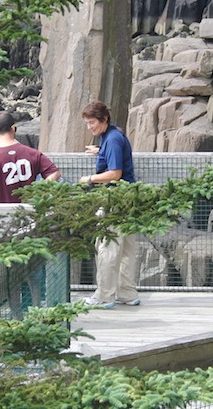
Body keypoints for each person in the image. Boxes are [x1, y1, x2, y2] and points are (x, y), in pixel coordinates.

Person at [79, 100, 140, 309]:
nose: (89, 127)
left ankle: (104, 296)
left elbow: (115, 173)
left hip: (113, 199)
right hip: (128, 198)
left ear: (104, 119)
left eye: (92, 122)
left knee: (107, 247)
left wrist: (89, 179)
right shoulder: (113, 135)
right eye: (87, 124)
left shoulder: (112, 140)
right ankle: (127, 293)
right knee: (127, 248)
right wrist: (100, 151)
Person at [0, 111, 61, 204]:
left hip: (3, 216)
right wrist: (39, 194)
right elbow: (55, 173)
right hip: (31, 213)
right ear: (13, 128)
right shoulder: (33, 154)